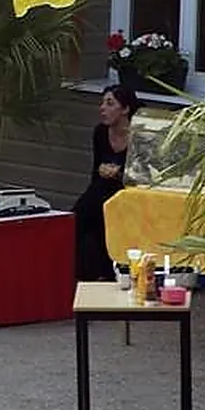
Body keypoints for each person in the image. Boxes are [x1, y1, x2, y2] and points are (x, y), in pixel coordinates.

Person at [72, 84, 141, 282]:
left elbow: (142, 178)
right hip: (101, 190)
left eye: (110, 103)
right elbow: (95, 172)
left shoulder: (138, 137)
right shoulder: (100, 133)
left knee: (104, 213)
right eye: (102, 103)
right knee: (81, 215)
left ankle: (109, 271)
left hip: (125, 193)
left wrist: (118, 175)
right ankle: (81, 273)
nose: (102, 108)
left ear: (125, 109)